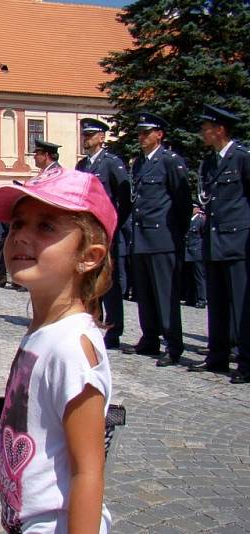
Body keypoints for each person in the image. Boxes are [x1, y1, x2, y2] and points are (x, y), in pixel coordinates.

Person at [0, 168, 117, 533]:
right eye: (17, 224)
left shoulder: (70, 346)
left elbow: (88, 471)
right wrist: (1, 412)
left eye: (46, 227)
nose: (20, 237)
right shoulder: (45, 328)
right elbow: (48, 410)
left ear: (89, 256)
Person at [122, 112, 190, 367]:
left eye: (146, 132)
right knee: (145, 293)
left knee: (165, 294)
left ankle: (173, 345)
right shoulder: (138, 163)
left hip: (162, 237)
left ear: (159, 134)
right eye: (139, 133)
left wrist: (175, 234)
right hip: (141, 238)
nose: (141, 137)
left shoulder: (170, 161)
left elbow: (182, 202)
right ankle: (149, 338)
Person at [189, 104, 250, 383]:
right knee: (217, 303)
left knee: (241, 305)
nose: (203, 133)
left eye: (206, 128)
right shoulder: (210, 162)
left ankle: (246, 361)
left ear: (220, 130)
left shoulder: (242, 158)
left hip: (238, 241)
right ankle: (218, 355)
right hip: (213, 241)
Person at [76, 118, 131, 349]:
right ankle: (91, 322)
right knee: (89, 280)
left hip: (107, 231)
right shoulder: (82, 166)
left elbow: (124, 198)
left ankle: (113, 329)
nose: (86, 140)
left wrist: (114, 225)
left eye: (90, 136)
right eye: (84, 136)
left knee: (109, 282)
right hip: (88, 232)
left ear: (101, 138)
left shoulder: (112, 163)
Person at [183, 203, 207, 309]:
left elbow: (203, 235)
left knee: (199, 277)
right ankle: (191, 298)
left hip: (197, 251)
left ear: (197, 208)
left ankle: (202, 299)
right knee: (189, 276)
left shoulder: (200, 219)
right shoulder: (189, 219)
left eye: (193, 208)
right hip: (188, 252)